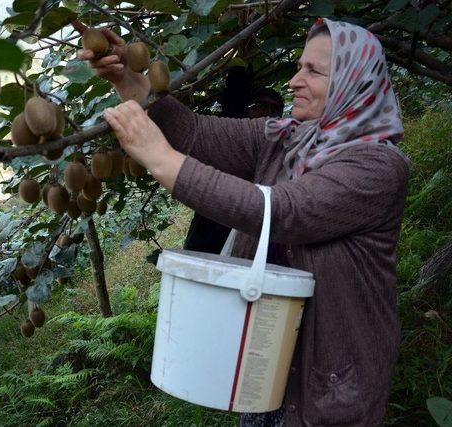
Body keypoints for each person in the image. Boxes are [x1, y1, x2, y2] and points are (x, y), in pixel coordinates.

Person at [79, 17, 408, 426]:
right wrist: (130, 79)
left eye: (313, 71)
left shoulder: (378, 167)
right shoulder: (288, 137)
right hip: (263, 368)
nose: (293, 81)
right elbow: (197, 133)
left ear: (353, 82)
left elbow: (281, 212)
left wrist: (160, 159)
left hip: (330, 382)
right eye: (299, 66)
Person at [184, 68, 285, 254]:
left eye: (273, 109)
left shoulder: (282, 150)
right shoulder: (233, 137)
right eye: (260, 105)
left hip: (251, 236)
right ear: (248, 109)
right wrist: (241, 59)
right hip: (209, 231)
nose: (266, 113)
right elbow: (234, 99)